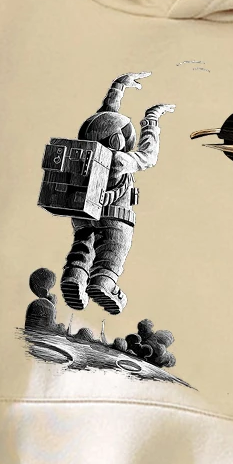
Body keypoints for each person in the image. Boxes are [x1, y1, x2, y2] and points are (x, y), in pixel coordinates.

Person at [59, 71, 174, 314]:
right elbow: (148, 156)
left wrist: (118, 87)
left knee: (83, 246)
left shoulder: (86, 152)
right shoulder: (120, 160)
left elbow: (104, 120)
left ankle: (75, 276)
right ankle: (104, 283)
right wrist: (151, 120)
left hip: (83, 213)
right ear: (117, 141)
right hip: (115, 218)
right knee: (113, 252)